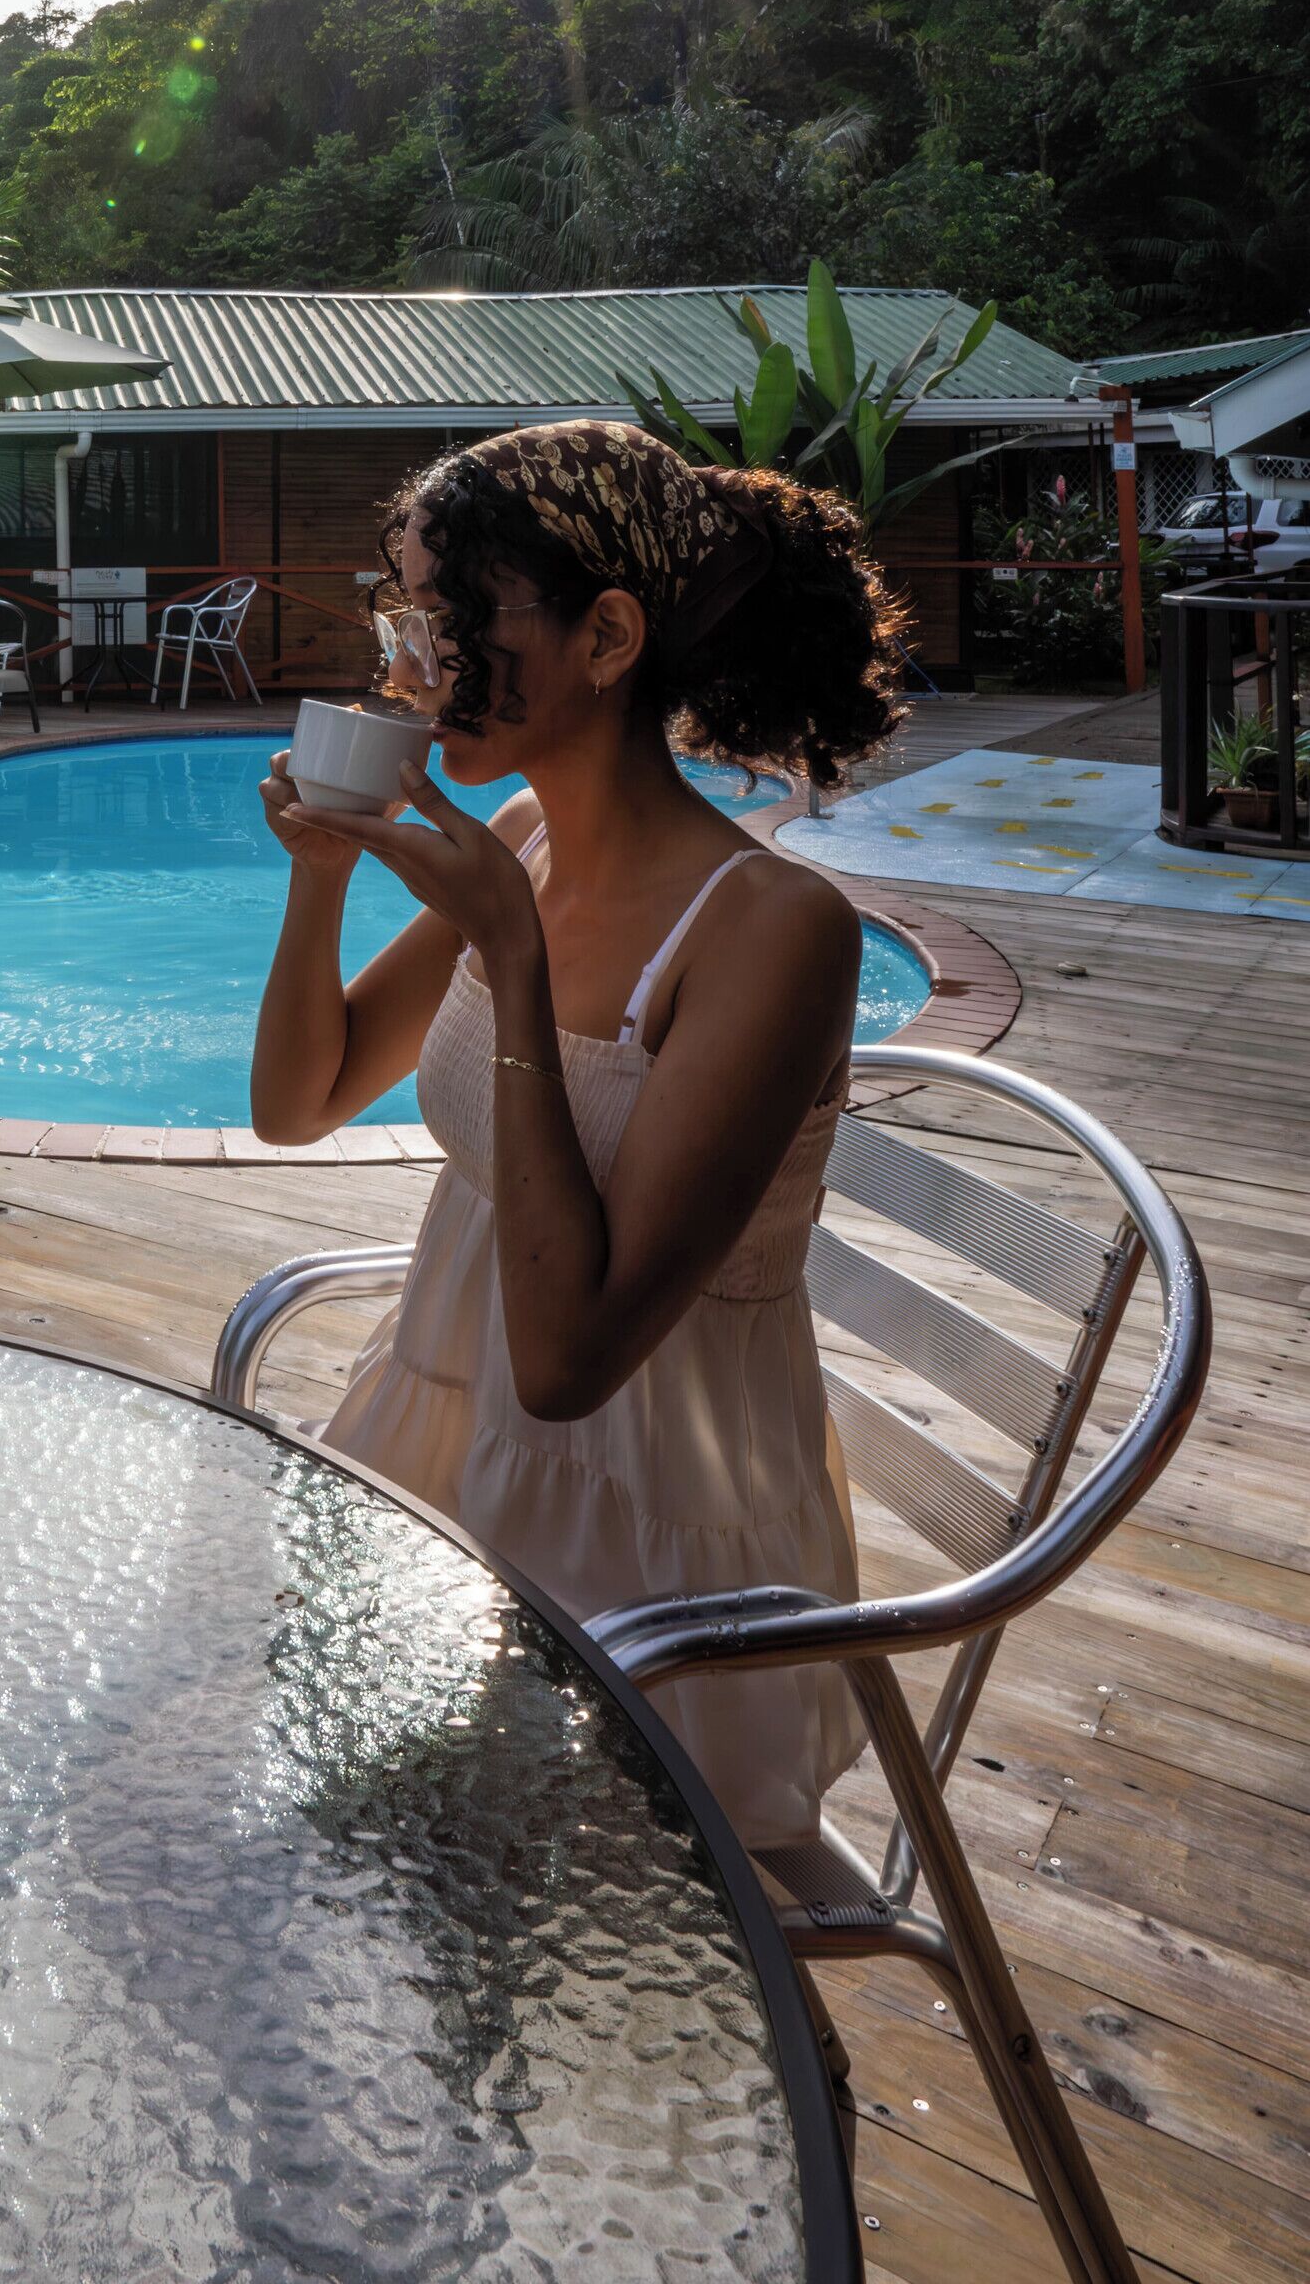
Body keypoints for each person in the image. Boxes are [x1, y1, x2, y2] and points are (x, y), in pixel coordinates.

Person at [251, 417, 905, 1861]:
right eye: (400, 614)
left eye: (448, 619)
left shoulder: (771, 934)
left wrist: (515, 959)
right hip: (450, 1420)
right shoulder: (535, 849)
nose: (406, 666)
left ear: (608, 635)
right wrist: (321, 872)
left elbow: (569, 1363)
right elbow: (299, 1103)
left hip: (646, 1537)